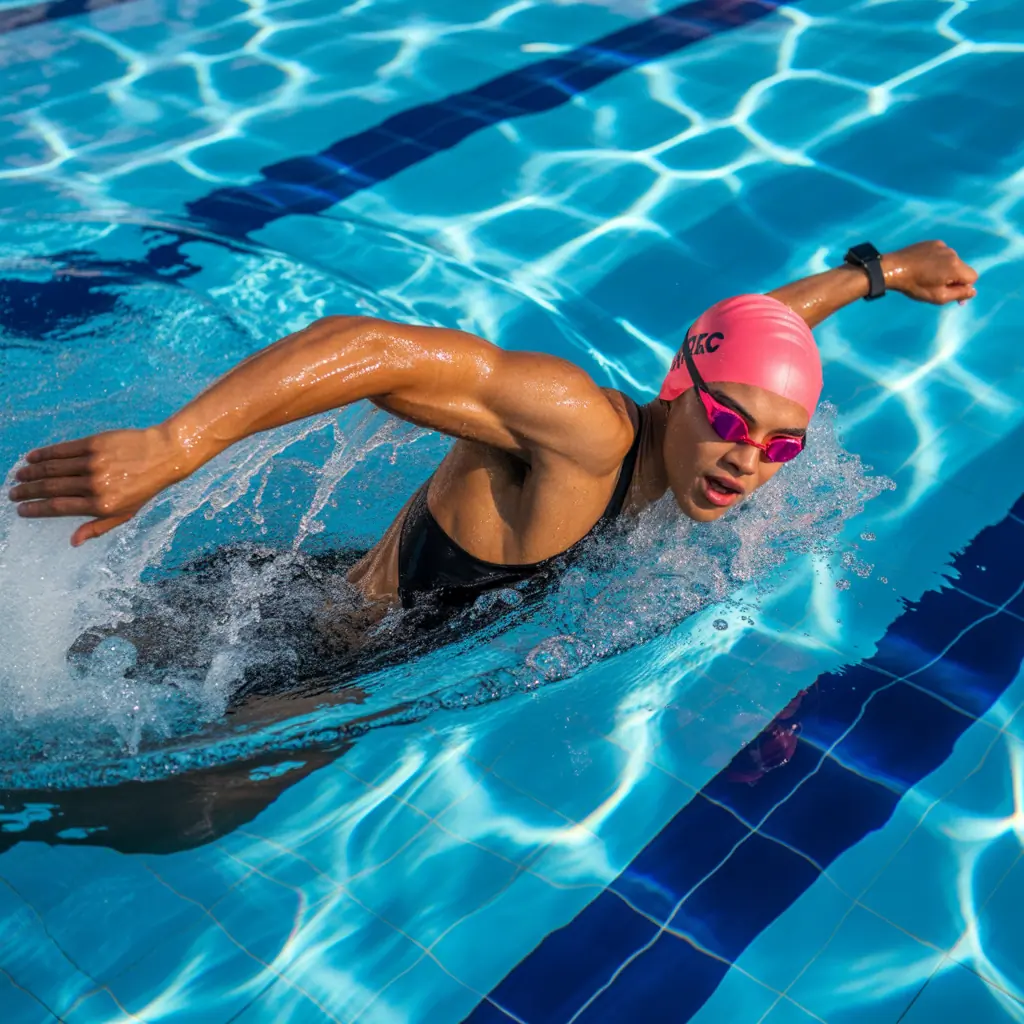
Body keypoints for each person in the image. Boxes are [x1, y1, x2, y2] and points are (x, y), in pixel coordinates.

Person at [8, 240, 977, 622]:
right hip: (297, 644)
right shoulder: (584, 432)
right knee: (195, 808)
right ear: (679, 390)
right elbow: (373, 346)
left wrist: (874, 274)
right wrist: (175, 448)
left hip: (299, 594)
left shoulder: (693, 440)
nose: (747, 458)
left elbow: (764, 338)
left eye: (780, 445)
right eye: (728, 421)